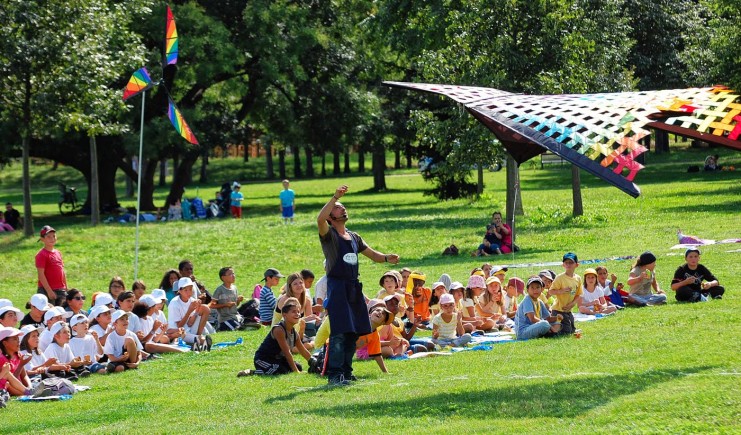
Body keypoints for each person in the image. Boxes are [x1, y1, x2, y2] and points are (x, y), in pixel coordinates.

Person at [317, 185, 399, 386]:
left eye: (342, 207)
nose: (342, 209)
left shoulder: (354, 237)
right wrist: (335, 196)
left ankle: (346, 371)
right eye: (337, 208)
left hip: (354, 288)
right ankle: (335, 375)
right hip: (337, 288)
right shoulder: (328, 236)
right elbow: (319, 219)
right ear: (330, 216)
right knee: (339, 333)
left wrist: (388, 257)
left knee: (353, 332)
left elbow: (373, 255)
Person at [237, 298, 315, 376]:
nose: (297, 314)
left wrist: (314, 362)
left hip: (277, 359)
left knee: (299, 366)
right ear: (284, 315)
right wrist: (296, 372)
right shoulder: (279, 329)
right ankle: (252, 372)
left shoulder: (294, 333)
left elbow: (303, 351)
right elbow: (287, 352)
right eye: (293, 312)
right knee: (280, 371)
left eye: (298, 312)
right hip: (263, 359)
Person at [166, 277, 212, 351]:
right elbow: (179, 326)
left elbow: (190, 323)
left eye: (190, 289)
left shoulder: (192, 300)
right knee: (202, 339)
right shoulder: (174, 303)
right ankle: (197, 341)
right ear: (179, 291)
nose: (189, 292)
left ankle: (197, 337)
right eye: (185, 290)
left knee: (205, 308)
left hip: (188, 328)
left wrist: (196, 311)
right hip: (178, 331)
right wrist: (189, 310)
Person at [546, 252, 583, 335]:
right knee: (566, 332)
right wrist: (561, 291)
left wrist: (572, 304)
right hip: (558, 310)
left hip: (568, 310)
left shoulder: (578, 278)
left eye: (571, 262)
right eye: (566, 262)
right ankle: (550, 331)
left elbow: (579, 294)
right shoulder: (560, 278)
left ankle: (555, 328)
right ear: (563, 265)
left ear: (576, 265)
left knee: (572, 329)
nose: (568, 264)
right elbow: (550, 291)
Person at [35, 225, 68, 307]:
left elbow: (62, 271)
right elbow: (41, 274)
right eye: (48, 237)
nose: (52, 239)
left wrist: (66, 287)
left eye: (54, 236)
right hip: (47, 289)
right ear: (42, 239)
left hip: (60, 289)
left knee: (62, 313)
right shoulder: (41, 255)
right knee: (49, 314)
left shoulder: (58, 252)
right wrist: (49, 291)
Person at [212, 267, 245, 331]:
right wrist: (225, 305)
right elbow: (211, 305)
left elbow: (235, 305)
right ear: (223, 278)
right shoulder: (219, 290)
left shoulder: (234, 288)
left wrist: (238, 301)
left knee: (247, 324)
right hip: (225, 319)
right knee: (237, 328)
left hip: (235, 317)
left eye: (233, 273)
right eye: (230, 274)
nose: (233, 276)